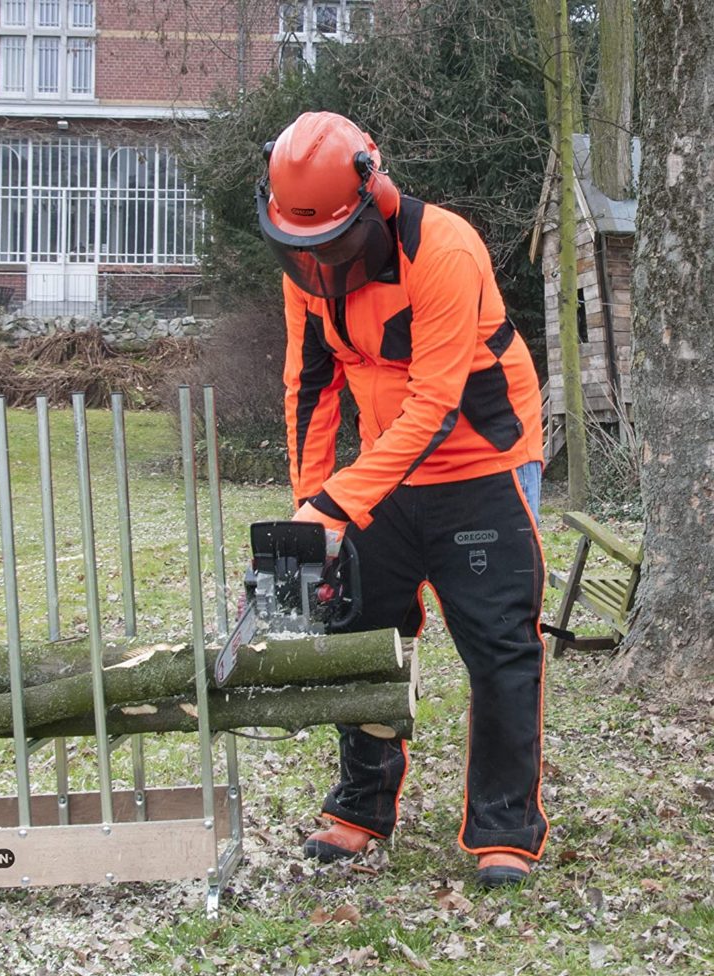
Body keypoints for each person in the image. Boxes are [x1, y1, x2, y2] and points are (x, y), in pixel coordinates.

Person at [255, 111, 548, 888]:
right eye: (303, 252)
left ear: (371, 196)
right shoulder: (307, 277)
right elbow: (311, 389)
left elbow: (435, 404)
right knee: (362, 630)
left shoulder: (443, 248)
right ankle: (360, 810)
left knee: (498, 644)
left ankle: (503, 829)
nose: (320, 266)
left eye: (333, 249)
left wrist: (338, 502)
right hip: (383, 473)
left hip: (481, 462)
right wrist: (309, 510)